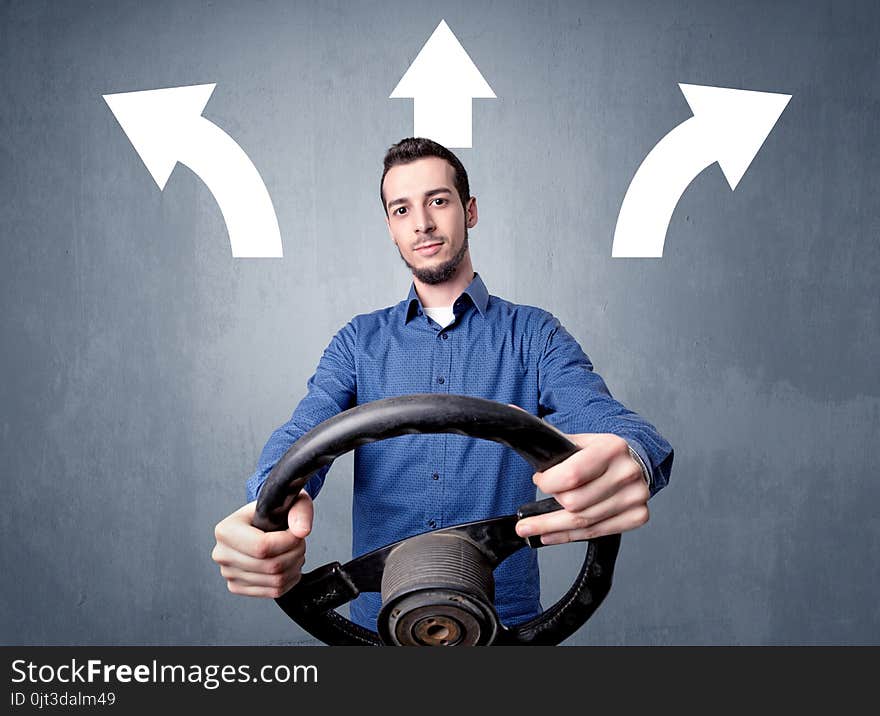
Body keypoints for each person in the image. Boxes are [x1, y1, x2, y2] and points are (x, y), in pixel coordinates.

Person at [212, 137, 674, 633]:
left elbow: (606, 421)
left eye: (438, 201)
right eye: (402, 209)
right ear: (390, 227)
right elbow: (304, 431)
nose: (422, 223)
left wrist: (629, 457)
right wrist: (268, 502)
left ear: (468, 210)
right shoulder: (357, 343)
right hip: (377, 631)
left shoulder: (534, 335)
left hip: (508, 629)